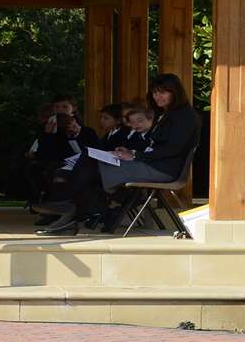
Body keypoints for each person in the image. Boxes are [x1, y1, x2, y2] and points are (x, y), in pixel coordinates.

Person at [41, 74, 199, 236]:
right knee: (90, 159)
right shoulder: (165, 114)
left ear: (175, 92)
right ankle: (71, 213)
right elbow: (154, 146)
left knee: (91, 164)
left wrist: (135, 156)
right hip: (151, 163)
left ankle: (68, 205)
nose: (157, 97)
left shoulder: (185, 117)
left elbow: (172, 150)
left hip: (163, 170)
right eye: (154, 93)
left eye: (162, 93)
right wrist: (129, 152)